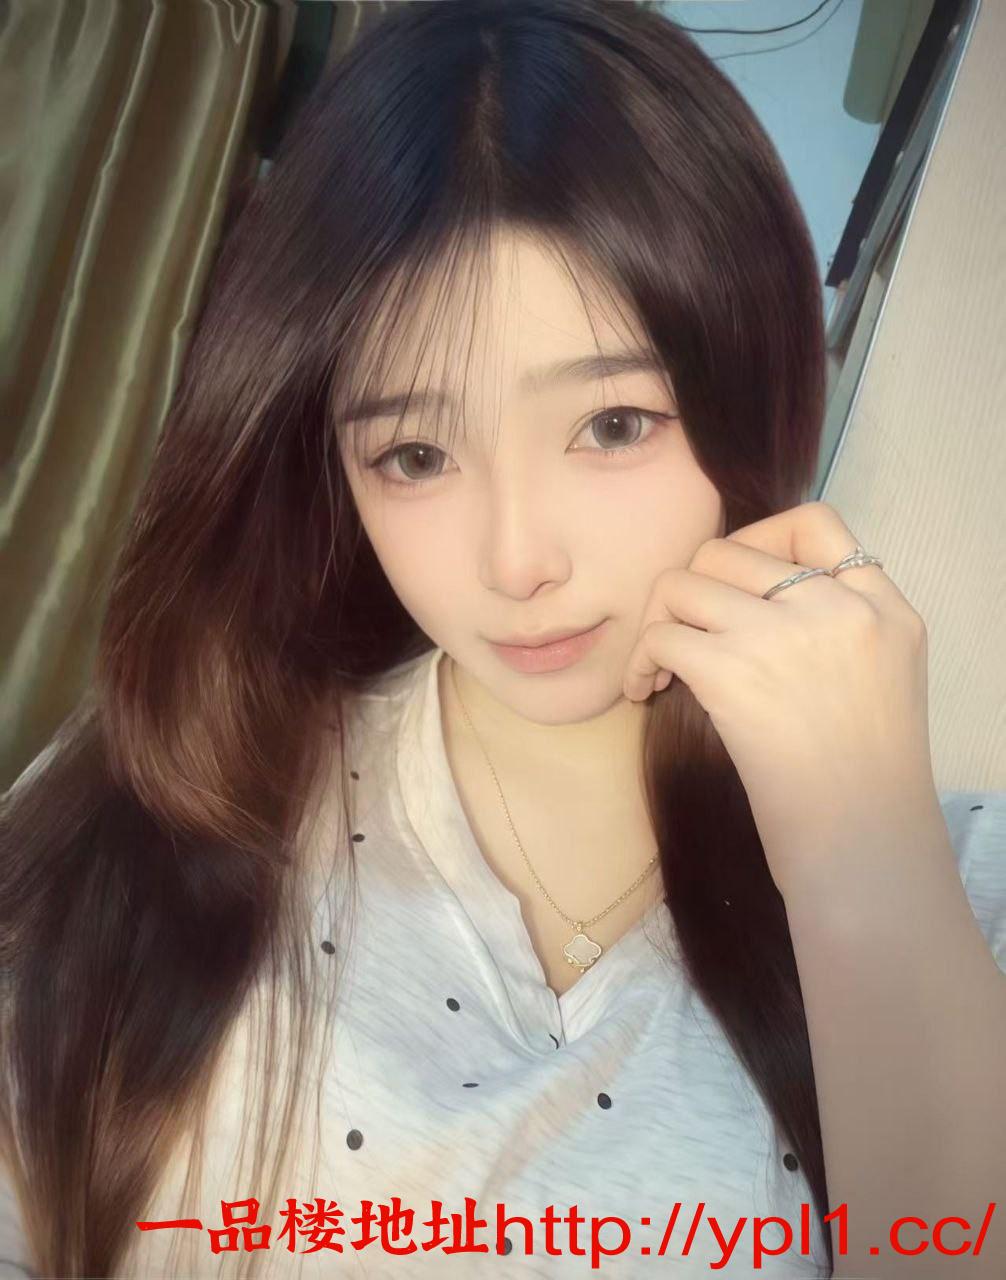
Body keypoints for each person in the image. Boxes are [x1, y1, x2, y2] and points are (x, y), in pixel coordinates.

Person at [1, 2, 1003, 1277]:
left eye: (612, 425)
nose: (516, 560)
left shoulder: (957, 888)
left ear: (755, 389)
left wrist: (864, 856)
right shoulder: (176, 780)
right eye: (416, 454)